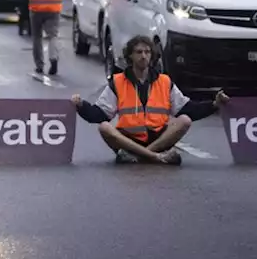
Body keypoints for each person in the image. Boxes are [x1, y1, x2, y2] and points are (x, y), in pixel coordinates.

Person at [72, 35, 230, 164]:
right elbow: (99, 115)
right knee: (104, 127)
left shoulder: (164, 82)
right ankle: (154, 157)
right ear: (130, 56)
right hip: (128, 140)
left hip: (158, 139)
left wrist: (214, 104)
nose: (143, 56)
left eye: (147, 52)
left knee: (185, 120)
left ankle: (145, 155)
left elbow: (187, 109)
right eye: (139, 52)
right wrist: (81, 105)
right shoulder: (118, 82)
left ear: (152, 55)